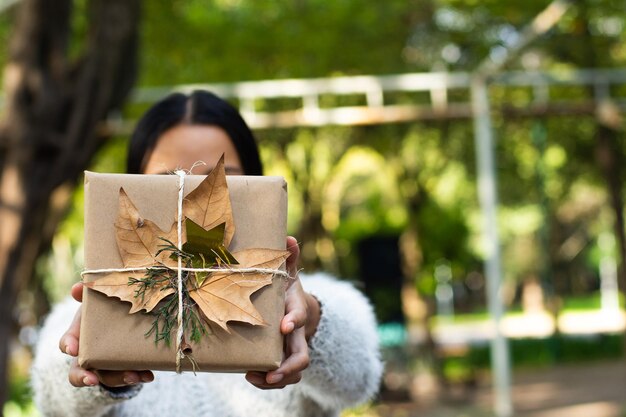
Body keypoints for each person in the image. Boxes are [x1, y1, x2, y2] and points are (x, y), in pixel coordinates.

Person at [31, 90, 383, 417]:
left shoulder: (321, 302)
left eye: (220, 179)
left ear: (259, 185)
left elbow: (359, 382)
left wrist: (312, 324)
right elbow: (51, 399)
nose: (195, 197)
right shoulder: (91, 306)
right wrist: (94, 364)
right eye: (169, 181)